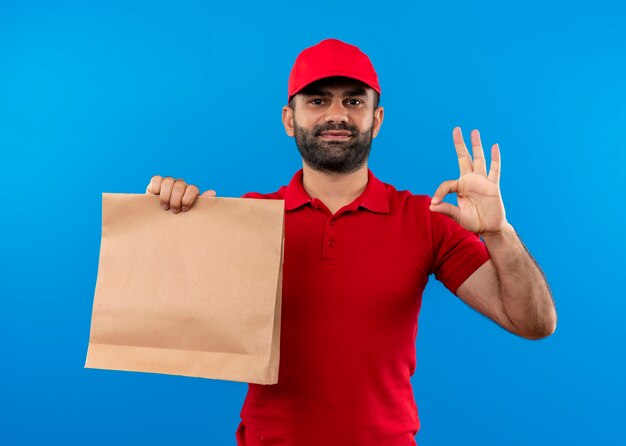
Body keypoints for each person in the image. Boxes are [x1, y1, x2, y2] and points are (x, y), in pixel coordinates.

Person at [145, 38, 557, 446]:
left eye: (354, 102)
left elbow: (533, 323)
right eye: (318, 101)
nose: (337, 114)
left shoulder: (426, 218)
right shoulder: (249, 217)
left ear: (377, 119)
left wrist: (500, 234)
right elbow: (173, 317)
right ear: (289, 119)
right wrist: (172, 222)